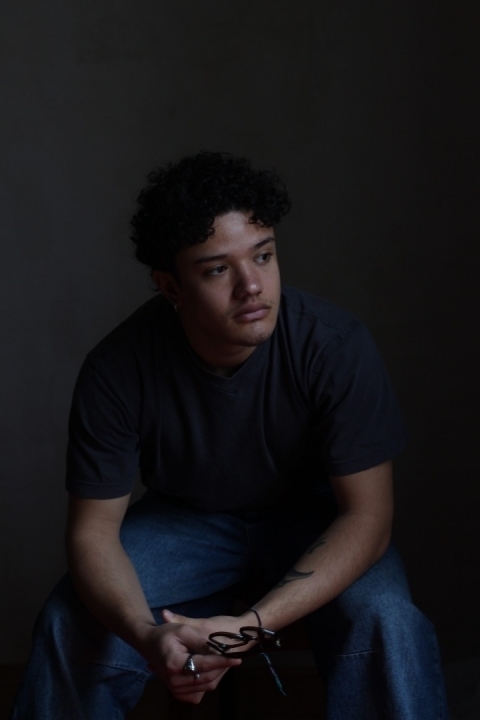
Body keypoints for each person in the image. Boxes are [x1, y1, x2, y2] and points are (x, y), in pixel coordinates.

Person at [10, 151, 450, 719]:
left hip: (314, 519)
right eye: (217, 269)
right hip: (186, 521)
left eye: (263, 256)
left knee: (388, 620)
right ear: (170, 286)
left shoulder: (335, 345)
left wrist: (251, 626)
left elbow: (368, 518)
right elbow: (93, 533)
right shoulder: (117, 368)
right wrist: (147, 635)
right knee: (70, 620)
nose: (252, 286)